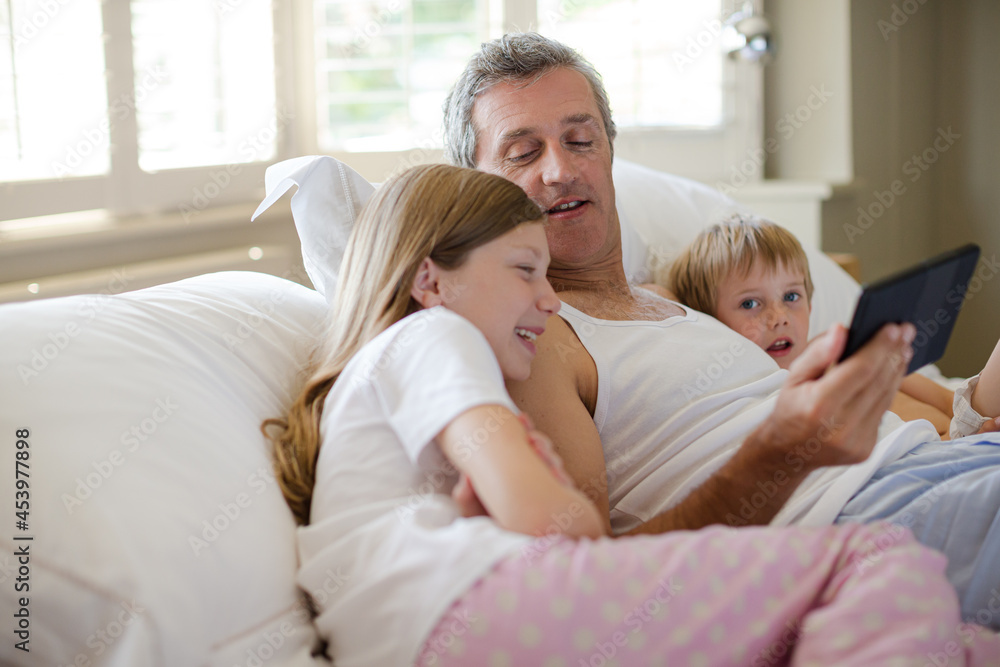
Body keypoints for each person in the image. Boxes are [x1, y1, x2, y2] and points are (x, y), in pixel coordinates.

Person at [265, 162, 998, 666]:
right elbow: (558, 524)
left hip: (456, 629)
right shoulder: (433, 334)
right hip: (481, 609)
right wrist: (541, 487)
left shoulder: (383, 399)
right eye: (525, 270)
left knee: (960, 638)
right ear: (431, 279)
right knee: (882, 562)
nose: (549, 301)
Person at [442, 30, 1000, 630]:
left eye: (581, 140)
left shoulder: (679, 300)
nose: (560, 170)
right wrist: (778, 455)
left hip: (936, 460)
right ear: (477, 186)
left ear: (608, 152)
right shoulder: (538, 341)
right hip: (859, 517)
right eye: (524, 153)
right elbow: (599, 577)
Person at [664, 214, 1000, 438]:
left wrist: (977, 422)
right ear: (711, 323)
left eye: (791, 296)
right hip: (925, 459)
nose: (778, 316)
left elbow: (946, 397)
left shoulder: (840, 349)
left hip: (964, 431)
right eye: (750, 303)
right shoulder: (761, 397)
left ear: (811, 302)